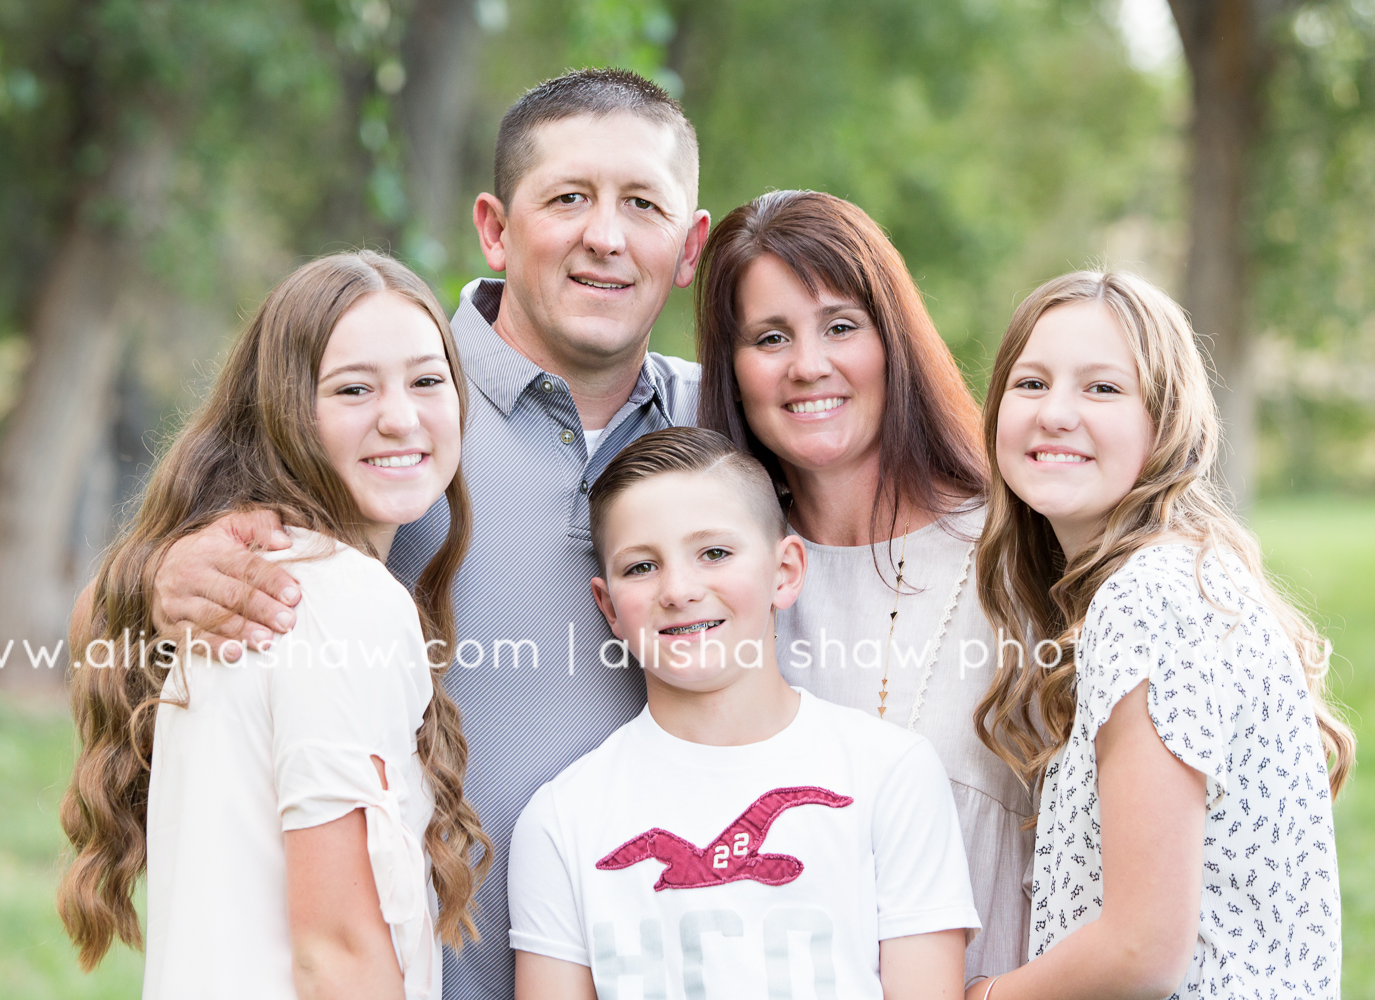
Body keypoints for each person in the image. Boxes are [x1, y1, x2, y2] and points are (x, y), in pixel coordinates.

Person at [83, 69, 712, 997]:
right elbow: (136, 624)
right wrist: (158, 574)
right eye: (569, 197)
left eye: (643, 204)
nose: (605, 236)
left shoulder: (732, 428)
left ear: (690, 243)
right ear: (495, 227)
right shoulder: (391, 403)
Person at [56, 251, 490, 999]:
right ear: (287, 412)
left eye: (427, 380)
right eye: (354, 388)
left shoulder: (231, 583)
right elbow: (342, 949)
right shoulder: (328, 598)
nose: (400, 415)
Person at [964, 270, 1353, 999]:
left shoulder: (1153, 599)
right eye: (1032, 383)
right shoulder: (1177, 578)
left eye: (1103, 388)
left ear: (1165, 422)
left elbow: (1142, 950)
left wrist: (984, 997)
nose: (1055, 414)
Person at [510, 427, 979, 1000]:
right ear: (607, 606)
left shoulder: (889, 774)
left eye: (714, 553)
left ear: (785, 571)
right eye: (641, 567)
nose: (679, 590)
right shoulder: (562, 819)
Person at [694, 190, 1030, 981]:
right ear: (732, 370)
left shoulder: (1017, 550)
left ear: (894, 341)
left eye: (841, 326)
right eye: (770, 337)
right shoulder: (716, 588)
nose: (809, 365)